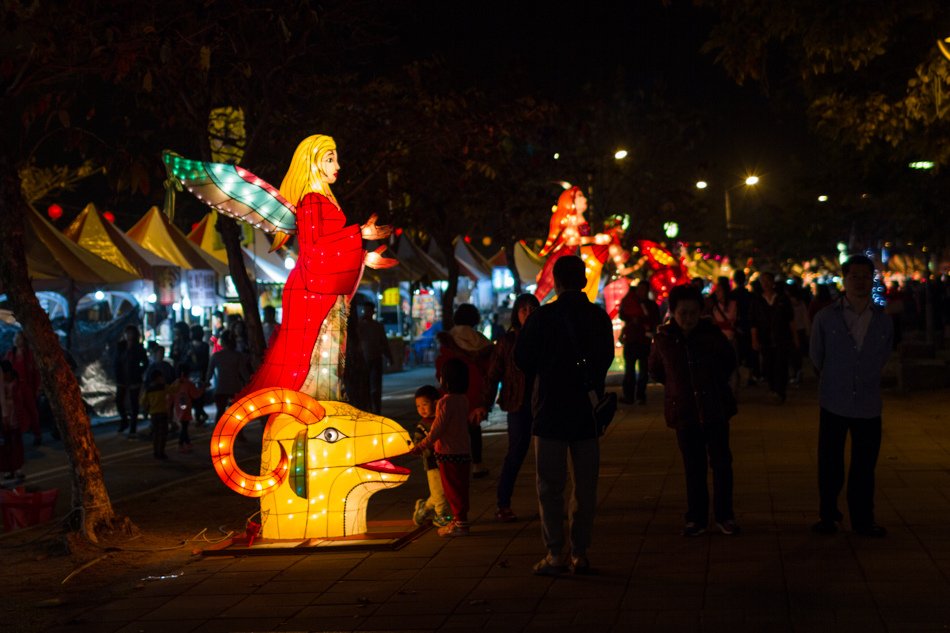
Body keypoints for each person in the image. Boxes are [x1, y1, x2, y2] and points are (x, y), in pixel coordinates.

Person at [237, 134, 394, 400]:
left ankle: (324, 407)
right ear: (312, 162)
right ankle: (312, 411)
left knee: (326, 360)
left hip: (321, 289)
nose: (338, 166)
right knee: (314, 359)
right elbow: (315, 246)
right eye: (330, 159)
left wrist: (362, 257)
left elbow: (329, 246)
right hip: (311, 291)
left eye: (336, 158)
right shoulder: (311, 200)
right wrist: (359, 233)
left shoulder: (322, 198)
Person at [515, 255, 614, 575]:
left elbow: (523, 361)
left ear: (555, 282)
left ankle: (555, 553)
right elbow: (606, 359)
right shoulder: (598, 318)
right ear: (584, 281)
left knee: (549, 486)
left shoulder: (542, 319)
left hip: (549, 411)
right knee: (585, 486)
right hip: (586, 413)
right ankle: (580, 552)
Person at [810, 255, 893, 537]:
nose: (859, 280)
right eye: (853, 275)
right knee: (830, 463)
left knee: (864, 466)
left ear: (871, 280)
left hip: (869, 403)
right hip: (834, 400)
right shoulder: (826, 317)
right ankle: (828, 515)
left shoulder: (882, 321)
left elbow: (883, 355)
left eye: (864, 275)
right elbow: (816, 356)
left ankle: (863, 519)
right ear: (844, 280)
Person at [649, 284, 740, 537]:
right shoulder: (664, 339)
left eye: (692, 313)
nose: (688, 318)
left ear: (701, 311)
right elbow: (656, 370)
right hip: (685, 411)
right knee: (693, 466)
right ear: (673, 312)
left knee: (722, 464)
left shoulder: (711, 334)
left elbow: (728, 361)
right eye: (682, 313)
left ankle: (725, 515)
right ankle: (696, 517)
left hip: (715, 408)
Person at [472, 293, 540, 522]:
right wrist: (484, 404)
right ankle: (503, 503)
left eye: (532, 309)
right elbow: (493, 376)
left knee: (548, 456)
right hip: (517, 404)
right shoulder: (508, 342)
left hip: (543, 403)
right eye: (523, 309)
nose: (528, 313)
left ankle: (550, 504)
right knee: (516, 453)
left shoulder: (547, 339)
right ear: (516, 314)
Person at [411, 358, 472, 537]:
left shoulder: (445, 402)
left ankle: (459, 524)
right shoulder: (463, 399)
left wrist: (420, 446)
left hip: (447, 453)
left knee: (452, 490)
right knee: (461, 489)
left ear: (446, 380)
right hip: (463, 451)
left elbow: (436, 431)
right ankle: (461, 520)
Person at [435, 304, 492, 478]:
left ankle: (454, 464)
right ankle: (477, 464)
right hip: (473, 387)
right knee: (474, 428)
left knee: (453, 429)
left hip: (451, 388)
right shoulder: (480, 341)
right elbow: (488, 367)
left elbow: (441, 366)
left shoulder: (449, 339)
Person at [410, 384, 452, 528]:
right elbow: (417, 442)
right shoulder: (422, 426)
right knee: (439, 493)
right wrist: (422, 448)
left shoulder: (442, 419)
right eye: (418, 406)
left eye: (425, 404)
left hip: (447, 460)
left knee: (442, 492)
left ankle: (424, 508)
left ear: (436, 403)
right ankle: (441, 516)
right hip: (432, 463)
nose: (421, 409)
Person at [751, 272, 795, 403]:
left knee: (781, 364)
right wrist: (754, 339)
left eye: (767, 281)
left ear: (772, 282)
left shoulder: (782, 299)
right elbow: (753, 322)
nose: (765, 284)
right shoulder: (757, 300)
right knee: (768, 365)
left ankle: (780, 391)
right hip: (765, 339)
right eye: (762, 281)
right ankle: (773, 389)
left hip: (781, 337)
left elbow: (790, 319)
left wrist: (795, 337)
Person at [618, 281, 660, 405]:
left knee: (643, 370)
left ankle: (640, 396)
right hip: (632, 340)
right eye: (639, 289)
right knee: (630, 369)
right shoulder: (631, 303)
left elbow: (655, 320)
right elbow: (623, 315)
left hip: (643, 341)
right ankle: (629, 396)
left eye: (643, 289)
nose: (641, 291)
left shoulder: (651, 305)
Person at [205, 331, 251, 424]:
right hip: (235, 388)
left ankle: (217, 434)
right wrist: (250, 383)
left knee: (220, 412)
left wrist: (206, 383)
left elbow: (209, 374)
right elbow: (244, 373)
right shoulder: (238, 356)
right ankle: (239, 435)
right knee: (236, 414)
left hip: (221, 388)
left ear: (222, 342)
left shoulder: (216, 356)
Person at [4, 331, 41, 446]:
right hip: (15, 388)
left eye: (19, 338)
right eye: (16, 338)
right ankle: (17, 436)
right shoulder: (11, 354)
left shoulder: (30, 355)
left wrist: (38, 388)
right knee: (15, 412)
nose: (17, 340)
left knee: (32, 410)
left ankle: (37, 434)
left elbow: (36, 373)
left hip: (26, 387)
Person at [358, 303, 393, 414]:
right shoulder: (359, 326)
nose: (367, 313)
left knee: (375, 388)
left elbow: (384, 343)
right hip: (363, 360)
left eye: (369, 311)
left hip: (376, 359)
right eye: (365, 311)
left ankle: (376, 410)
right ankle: (368, 409)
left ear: (373, 312)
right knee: (365, 387)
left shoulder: (378, 326)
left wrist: (389, 357)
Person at [114, 325, 149, 438]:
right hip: (122, 378)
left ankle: (133, 426)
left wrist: (139, 371)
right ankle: (124, 420)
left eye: (131, 333)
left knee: (134, 403)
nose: (129, 336)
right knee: (119, 401)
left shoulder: (138, 348)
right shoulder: (121, 347)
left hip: (134, 378)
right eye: (127, 333)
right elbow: (117, 361)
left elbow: (145, 362)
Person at [170, 363, 204, 454]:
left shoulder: (174, 384)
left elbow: (170, 397)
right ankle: (181, 444)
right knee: (184, 427)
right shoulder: (189, 384)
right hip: (186, 408)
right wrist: (202, 388)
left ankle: (187, 443)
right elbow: (195, 395)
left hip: (177, 408)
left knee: (184, 426)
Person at [0, 360, 25, 481]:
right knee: (6, 444)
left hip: (14, 415)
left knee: (15, 444)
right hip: (6, 416)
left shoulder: (17, 383)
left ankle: (17, 468)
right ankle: (7, 469)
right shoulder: (3, 385)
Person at [140, 369, 171, 460]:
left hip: (153, 414)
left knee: (156, 434)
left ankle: (156, 451)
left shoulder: (148, 389)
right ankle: (161, 452)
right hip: (162, 412)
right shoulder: (163, 387)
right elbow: (173, 389)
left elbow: (142, 401)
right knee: (163, 433)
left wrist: (147, 406)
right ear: (158, 378)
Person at [188, 325, 210, 425]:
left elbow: (205, 361)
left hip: (200, 373)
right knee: (194, 394)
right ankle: (200, 414)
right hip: (192, 373)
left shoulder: (204, 346)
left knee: (200, 395)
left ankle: (199, 414)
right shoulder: (189, 345)